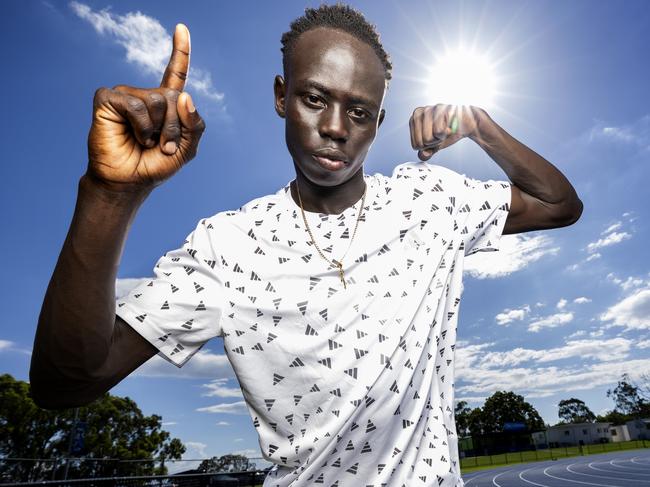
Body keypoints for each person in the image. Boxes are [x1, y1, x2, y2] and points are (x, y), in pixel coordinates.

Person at [30, 4, 582, 486]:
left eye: (359, 112)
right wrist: (107, 195)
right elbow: (66, 383)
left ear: (378, 121)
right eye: (314, 99)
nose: (336, 128)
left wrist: (481, 126)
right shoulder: (229, 245)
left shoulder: (430, 201)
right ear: (280, 96)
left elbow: (559, 204)